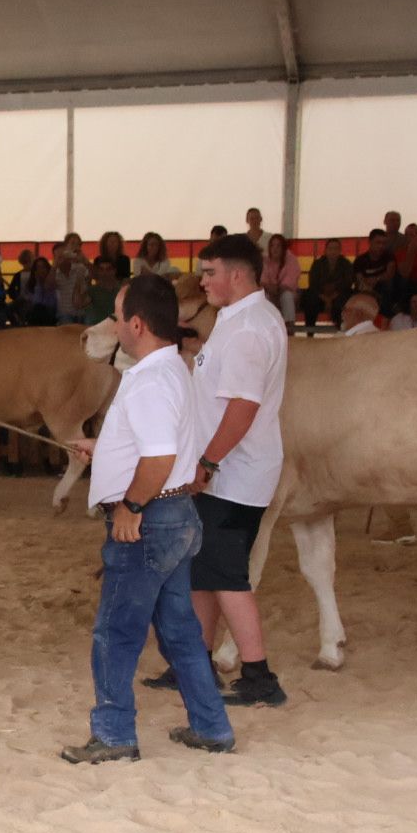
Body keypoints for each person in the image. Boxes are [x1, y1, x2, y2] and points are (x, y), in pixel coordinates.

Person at [62, 274, 235, 764]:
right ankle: (212, 726)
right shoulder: (169, 369)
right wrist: (106, 448)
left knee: (116, 630)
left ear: (136, 324)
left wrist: (130, 507)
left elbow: (159, 458)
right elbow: (159, 447)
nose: (115, 325)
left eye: (118, 317)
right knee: (179, 628)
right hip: (175, 516)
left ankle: (115, 734)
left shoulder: (151, 381)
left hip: (150, 521)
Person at [145, 234, 288, 707]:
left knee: (227, 576)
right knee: (203, 572)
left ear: (238, 274)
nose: (202, 281)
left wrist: (207, 463)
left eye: (209, 273)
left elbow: (243, 408)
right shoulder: (236, 320)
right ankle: (194, 662)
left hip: (235, 473)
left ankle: (259, 676)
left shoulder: (248, 329)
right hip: (227, 469)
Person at [300, 237, 354, 329]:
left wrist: (332, 297)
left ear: (340, 250)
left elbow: (347, 283)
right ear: (326, 250)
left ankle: (340, 330)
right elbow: (313, 283)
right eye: (330, 248)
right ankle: (310, 332)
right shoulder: (318, 264)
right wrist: (325, 299)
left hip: (338, 296)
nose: (333, 251)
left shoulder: (346, 264)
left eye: (336, 249)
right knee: (310, 297)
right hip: (320, 296)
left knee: (345, 298)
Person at [260, 233, 301, 330]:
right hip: (269, 292)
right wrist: (270, 288)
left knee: (287, 296)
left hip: (287, 293)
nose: (275, 249)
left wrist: (277, 289)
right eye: (272, 246)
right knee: (263, 296)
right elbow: (262, 282)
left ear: (283, 248)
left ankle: (289, 328)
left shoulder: (292, 259)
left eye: (278, 246)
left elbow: (289, 282)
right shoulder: (265, 261)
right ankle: (265, 328)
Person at [53, 251, 89, 326]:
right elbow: (47, 286)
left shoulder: (80, 267)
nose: (62, 259)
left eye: (63, 256)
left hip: (82, 311)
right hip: (65, 313)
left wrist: (84, 260)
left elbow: (93, 277)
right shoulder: (55, 273)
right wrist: (54, 266)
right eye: (59, 257)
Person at [83, 258, 119, 325]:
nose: (104, 273)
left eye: (108, 269)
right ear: (98, 271)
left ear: (114, 271)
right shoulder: (91, 291)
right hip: (96, 329)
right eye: (101, 269)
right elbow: (78, 303)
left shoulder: (121, 290)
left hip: (116, 328)